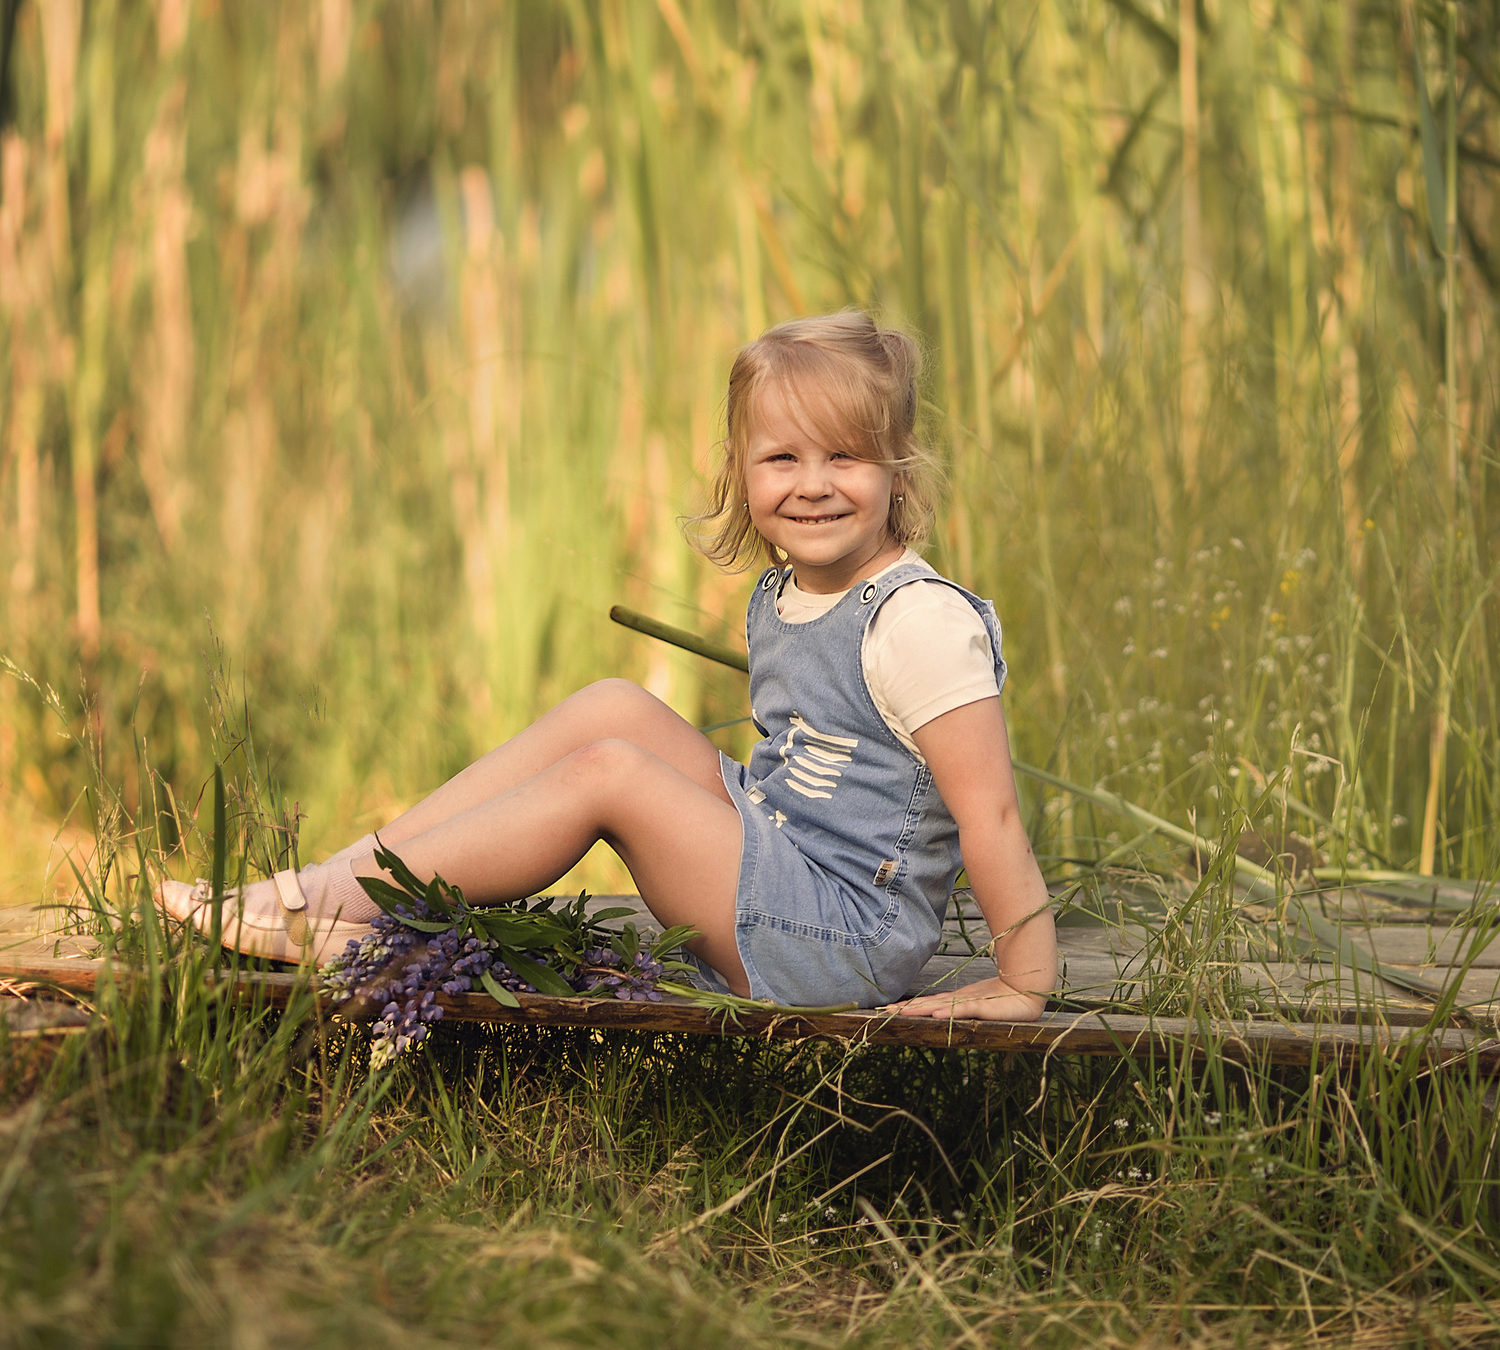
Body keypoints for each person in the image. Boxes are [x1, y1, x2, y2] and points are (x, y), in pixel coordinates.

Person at [159, 311, 1056, 1019]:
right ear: (743, 472)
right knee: (613, 708)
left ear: (896, 469)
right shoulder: (788, 591)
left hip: (841, 941)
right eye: (783, 457)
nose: (813, 483)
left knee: (612, 773)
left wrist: (1025, 979)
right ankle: (330, 887)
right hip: (785, 867)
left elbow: (993, 812)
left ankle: (332, 905)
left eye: (846, 457)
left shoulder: (918, 623)